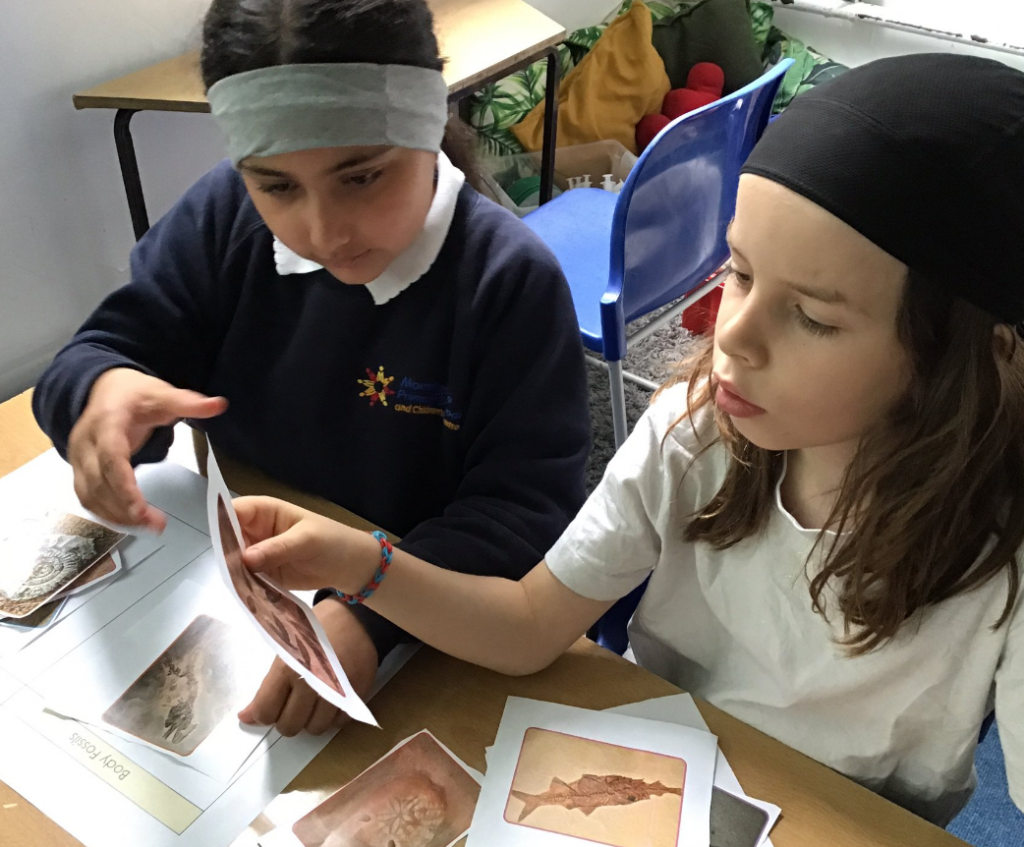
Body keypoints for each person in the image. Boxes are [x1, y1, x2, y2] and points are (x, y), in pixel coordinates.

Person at [233, 53, 1024, 826]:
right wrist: (361, 563)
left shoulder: (1005, 550)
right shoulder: (696, 430)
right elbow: (529, 623)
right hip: (659, 767)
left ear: (983, 356)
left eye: (813, 317)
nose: (732, 336)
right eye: (740, 272)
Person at [32, 0, 590, 736]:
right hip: (242, 595)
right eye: (277, 186)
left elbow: (525, 517)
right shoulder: (223, 219)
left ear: (427, 125)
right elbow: (101, 349)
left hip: (435, 625)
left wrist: (369, 615)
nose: (325, 232)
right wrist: (100, 394)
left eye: (361, 178)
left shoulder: (507, 283)